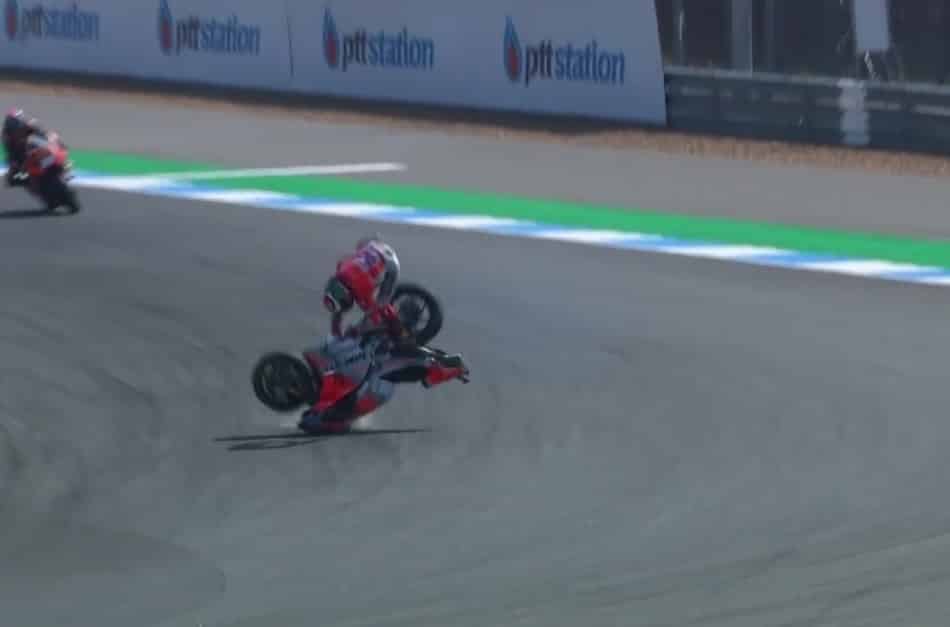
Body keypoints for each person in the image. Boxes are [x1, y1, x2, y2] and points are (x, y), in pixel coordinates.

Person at [298, 236, 469, 433]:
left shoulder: (361, 292)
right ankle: (330, 406)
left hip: (389, 268)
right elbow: (341, 312)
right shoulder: (341, 270)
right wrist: (338, 332)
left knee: (380, 312)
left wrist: (366, 330)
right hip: (378, 250)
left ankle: (331, 416)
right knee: (376, 331)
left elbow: (377, 313)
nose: (345, 307)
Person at [2, 108, 47, 188]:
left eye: (20, 117)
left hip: (28, 151)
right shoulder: (7, 134)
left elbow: (39, 132)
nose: (20, 118)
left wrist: (40, 132)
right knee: (16, 169)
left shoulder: (23, 126)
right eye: (18, 117)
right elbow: (14, 147)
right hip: (18, 156)